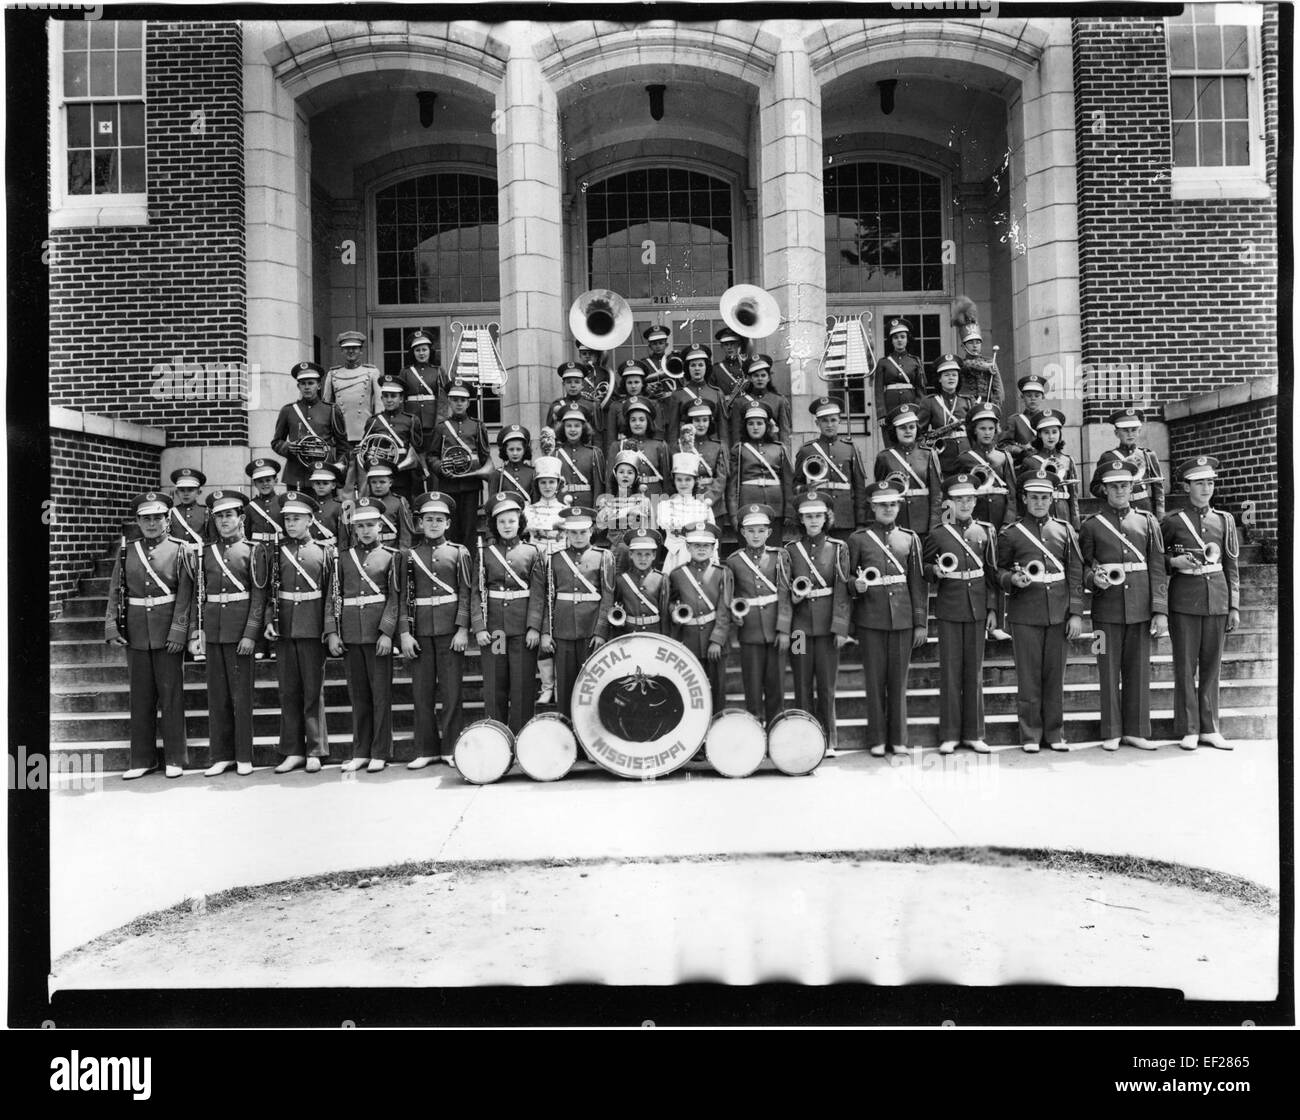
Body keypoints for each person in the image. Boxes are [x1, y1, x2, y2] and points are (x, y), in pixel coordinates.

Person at [105, 491, 198, 780]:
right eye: (146, 518)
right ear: (137, 521)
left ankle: (174, 758)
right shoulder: (127, 551)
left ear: (167, 519)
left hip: (168, 630)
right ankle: (142, 759)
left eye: (157, 517)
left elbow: (187, 595)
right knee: (140, 698)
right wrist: (111, 626)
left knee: (171, 697)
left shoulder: (181, 549)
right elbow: (115, 592)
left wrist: (180, 631)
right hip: (135, 632)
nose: (152, 523)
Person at [1079, 459, 1169, 752]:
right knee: (1106, 669)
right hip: (1104, 613)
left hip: (1141, 609)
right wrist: (1094, 580)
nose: (1120, 491)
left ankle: (1137, 730)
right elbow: (1081, 568)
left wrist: (1160, 610)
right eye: (1114, 486)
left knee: (1139, 670)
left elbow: (1157, 567)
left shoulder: (1147, 521)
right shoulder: (1091, 525)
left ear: (1133, 488)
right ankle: (1111, 731)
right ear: (1104, 490)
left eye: (1125, 485)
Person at [996, 466, 1086, 753]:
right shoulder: (1011, 534)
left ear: (1052, 499)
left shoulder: (1064, 530)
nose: (1039, 503)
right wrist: (1012, 579)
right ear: (1024, 498)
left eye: (1045, 498)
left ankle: (1055, 733)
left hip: (1058, 612)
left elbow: (1074, 572)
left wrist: (1076, 613)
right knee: (1028, 675)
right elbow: (997, 571)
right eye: (1034, 497)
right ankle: (1030, 735)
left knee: (1054, 675)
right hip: (1025, 612)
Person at [1161, 456, 1241, 751]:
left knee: (1211, 666)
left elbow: (1232, 565)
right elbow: (1157, 559)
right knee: (1185, 666)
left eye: (1210, 482)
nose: (1206, 488)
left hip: (1217, 599)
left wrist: (1234, 605)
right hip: (1184, 599)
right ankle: (1189, 728)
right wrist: (1173, 561)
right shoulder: (1172, 521)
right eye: (1199, 483)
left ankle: (1209, 727)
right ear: (1186, 486)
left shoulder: (1224, 520)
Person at [847, 480, 927, 757]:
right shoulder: (859, 539)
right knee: (874, 680)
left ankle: (899, 738)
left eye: (892, 504)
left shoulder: (909, 538)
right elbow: (846, 577)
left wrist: (920, 622)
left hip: (903, 618)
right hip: (871, 618)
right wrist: (854, 585)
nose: (887, 509)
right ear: (872, 507)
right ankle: (877, 739)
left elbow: (917, 583)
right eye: (882, 505)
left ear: (899, 506)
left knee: (898, 681)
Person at [193, 490, 269, 778]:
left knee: (241, 697)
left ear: (241, 518)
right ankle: (221, 755)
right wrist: (198, 631)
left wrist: (251, 634)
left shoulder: (253, 550)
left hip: (240, 633)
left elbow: (259, 596)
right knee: (217, 697)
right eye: (219, 516)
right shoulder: (206, 551)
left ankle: (243, 755)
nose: (224, 521)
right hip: (214, 631)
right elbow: (200, 595)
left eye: (229, 515)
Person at [924, 474, 999, 754]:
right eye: (959, 499)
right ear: (949, 503)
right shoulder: (938, 534)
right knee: (951, 672)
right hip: (950, 607)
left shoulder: (986, 531)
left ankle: (975, 733)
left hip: (978, 607)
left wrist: (993, 609)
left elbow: (992, 573)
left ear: (976, 500)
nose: (965, 503)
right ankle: (949, 734)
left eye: (969, 498)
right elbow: (925, 568)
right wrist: (935, 571)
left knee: (974, 673)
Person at [325, 496, 400, 772]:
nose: (366, 531)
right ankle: (361, 751)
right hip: (351, 634)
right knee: (358, 696)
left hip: (377, 635)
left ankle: (380, 751)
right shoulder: (343, 558)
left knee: (381, 695)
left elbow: (395, 598)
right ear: (354, 529)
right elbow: (334, 597)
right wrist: (333, 632)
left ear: (380, 526)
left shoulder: (391, 557)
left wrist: (387, 632)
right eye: (360, 526)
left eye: (371, 525)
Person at [400, 491, 473, 769]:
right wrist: (405, 633)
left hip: (449, 631)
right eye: (428, 519)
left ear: (448, 523)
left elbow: (466, 592)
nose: (433, 524)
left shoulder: (458, 552)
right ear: (420, 523)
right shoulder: (409, 556)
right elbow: (403, 596)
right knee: (422, 692)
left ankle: (451, 748)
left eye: (439, 519)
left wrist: (462, 628)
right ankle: (426, 749)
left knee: (452, 692)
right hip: (420, 633)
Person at [266, 490, 336, 774]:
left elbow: (332, 594)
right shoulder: (275, 551)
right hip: (285, 627)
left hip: (311, 626)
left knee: (312, 691)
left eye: (297, 519)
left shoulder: (323, 551)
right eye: (287, 519)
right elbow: (267, 590)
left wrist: (329, 629)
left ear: (310, 520)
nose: (291, 524)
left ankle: (316, 749)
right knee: (288, 691)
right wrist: (269, 620)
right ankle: (292, 749)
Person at [778, 491, 851, 753]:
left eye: (818, 515)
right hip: (799, 630)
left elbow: (842, 590)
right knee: (801, 683)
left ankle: (829, 740)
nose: (813, 521)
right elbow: (784, 593)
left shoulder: (838, 548)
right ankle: (804, 738)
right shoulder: (790, 550)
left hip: (827, 628)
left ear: (826, 517)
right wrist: (786, 626)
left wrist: (841, 627)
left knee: (826, 685)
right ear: (801, 519)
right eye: (808, 516)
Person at [473, 495, 546, 734]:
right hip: (496, 632)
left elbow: (538, 593)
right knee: (496, 684)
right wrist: (480, 627)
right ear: (495, 524)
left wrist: (535, 627)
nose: (507, 525)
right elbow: (476, 591)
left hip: (522, 630)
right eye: (502, 521)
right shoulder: (485, 553)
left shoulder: (532, 552)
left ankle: (522, 738)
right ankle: (497, 738)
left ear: (520, 522)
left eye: (511, 521)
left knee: (522, 685)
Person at [538, 504, 613, 721]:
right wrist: (546, 631)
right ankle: (567, 734)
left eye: (583, 532)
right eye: (573, 532)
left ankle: (591, 734)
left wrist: (600, 630)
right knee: (566, 685)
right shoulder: (555, 558)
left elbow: (608, 596)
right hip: (563, 629)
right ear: (566, 533)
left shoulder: (603, 556)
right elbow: (547, 597)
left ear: (591, 531)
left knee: (592, 684)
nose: (578, 537)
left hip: (591, 630)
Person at [725, 504, 786, 726]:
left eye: (761, 530)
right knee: (752, 686)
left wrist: (784, 629)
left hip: (775, 629)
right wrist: (735, 615)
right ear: (742, 532)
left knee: (776, 685)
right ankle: (756, 731)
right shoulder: (733, 561)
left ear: (769, 532)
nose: (756, 535)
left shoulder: (779, 556)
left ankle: (776, 728)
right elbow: (729, 597)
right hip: (749, 631)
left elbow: (785, 595)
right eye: (751, 530)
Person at [664, 522, 733, 708]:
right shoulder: (677, 574)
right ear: (687, 546)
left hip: (715, 642)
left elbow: (724, 609)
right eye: (696, 545)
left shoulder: (723, 573)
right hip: (688, 640)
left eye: (706, 546)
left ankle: (718, 727)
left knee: (717, 691)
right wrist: (674, 612)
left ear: (713, 548)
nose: (701, 549)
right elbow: (671, 602)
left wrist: (717, 640)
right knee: (691, 691)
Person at [524, 454, 569, 705]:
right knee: (541, 624)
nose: (548, 487)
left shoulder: (566, 510)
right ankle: (547, 685)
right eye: (543, 483)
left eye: (552, 482)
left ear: (559, 483)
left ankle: (562, 682)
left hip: (561, 570)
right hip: (538, 570)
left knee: (560, 626)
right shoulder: (529, 510)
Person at [427, 378, 492, 550]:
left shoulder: (478, 426)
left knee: (469, 529)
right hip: (447, 484)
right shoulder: (441, 427)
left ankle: (468, 566)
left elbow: (485, 456)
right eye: (455, 400)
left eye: (462, 400)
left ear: (468, 402)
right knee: (450, 528)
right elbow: (431, 455)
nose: (458, 404)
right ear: (449, 401)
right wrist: (440, 467)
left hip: (471, 485)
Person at [793, 396, 868, 540]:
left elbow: (859, 487)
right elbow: (795, 485)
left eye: (833, 420)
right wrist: (805, 489)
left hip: (845, 515)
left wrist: (860, 521)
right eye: (824, 420)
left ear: (840, 421)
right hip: (817, 514)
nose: (829, 424)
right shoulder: (807, 451)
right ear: (817, 423)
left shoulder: (850, 449)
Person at [322, 329, 383, 496]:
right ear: (342, 350)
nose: (351, 351)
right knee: (344, 483)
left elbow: (379, 405)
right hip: (342, 437)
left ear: (361, 350)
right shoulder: (333, 374)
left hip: (365, 434)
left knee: (366, 482)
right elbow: (326, 406)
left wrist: (376, 434)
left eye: (355, 348)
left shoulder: (371, 372)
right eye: (347, 348)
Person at [271, 360, 348, 490]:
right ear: (298, 386)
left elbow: (343, 445)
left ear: (318, 385)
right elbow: (276, 442)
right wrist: (288, 447)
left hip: (323, 474)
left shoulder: (331, 410)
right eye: (303, 383)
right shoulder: (288, 410)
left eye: (311, 383)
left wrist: (339, 466)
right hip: (296, 474)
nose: (307, 387)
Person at [874, 403, 941, 540]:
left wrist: (934, 525)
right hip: (896, 523)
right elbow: (880, 494)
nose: (908, 431)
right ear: (894, 430)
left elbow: (937, 494)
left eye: (912, 427)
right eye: (902, 428)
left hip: (923, 523)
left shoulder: (928, 454)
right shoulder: (885, 457)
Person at [1090, 407, 1165, 519]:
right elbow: (1095, 486)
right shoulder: (1108, 457)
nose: (1130, 434)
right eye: (1125, 430)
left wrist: (1159, 515)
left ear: (1139, 431)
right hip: (1117, 508)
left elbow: (1158, 488)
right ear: (1116, 433)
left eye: (1134, 430)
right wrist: (1113, 493)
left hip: (1144, 506)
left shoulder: (1147, 455)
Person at [360, 374, 424, 505]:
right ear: (381, 398)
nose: (389, 400)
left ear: (401, 399)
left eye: (393, 396)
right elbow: (366, 447)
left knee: (403, 506)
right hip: (379, 474)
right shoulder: (374, 421)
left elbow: (417, 449)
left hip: (403, 474)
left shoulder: (411, 420)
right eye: (386, 396)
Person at [729, 403, 793, 532]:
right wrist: (733, 513)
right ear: (745, 426)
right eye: (750, 424)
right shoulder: (740, 449)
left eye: (759, 423)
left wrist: (789, 511)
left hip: (776, 506)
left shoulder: (779, 449)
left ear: (767, 426)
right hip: (747, 505)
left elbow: (788, 482)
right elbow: (732, 485)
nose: (755, 427)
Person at [245, 457, 283, 661]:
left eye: (269, 479)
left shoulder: (283, 502)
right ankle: (260, 642)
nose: (265, 483)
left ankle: (275, 642)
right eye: (260, 481)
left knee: (275, 595)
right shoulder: (250, 507)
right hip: (258, 554)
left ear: (276, 480)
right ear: (255, 483)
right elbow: (247, 534)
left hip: (278, 552)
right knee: (259, 595)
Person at [957, 404, 1017, 532]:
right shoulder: (965, 458)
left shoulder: (1004, 456)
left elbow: (1012, 493)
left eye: (991, 428)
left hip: (1000, 518)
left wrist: (1008, 521)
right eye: (982, 428)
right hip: (975, 516)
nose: (987, 432)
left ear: (996, 430)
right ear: (974, 430)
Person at [607, 396, 670, 514]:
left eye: (642, 419)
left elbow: (666, 481)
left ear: (648, 422)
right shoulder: (618, 446)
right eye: (633, 420)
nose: (637, 423)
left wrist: (665, 505)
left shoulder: (660, 446)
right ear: (628, 423)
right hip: (626, 499)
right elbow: (611, 481)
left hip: (654, 497)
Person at [658, 452, 716, 575]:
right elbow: (669, 529)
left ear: (695, 481)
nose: (683, 484)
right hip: (677, 556)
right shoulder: (666, 505)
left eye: (688, 479)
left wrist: (713, 556)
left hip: (701, 555)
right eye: (679, 480)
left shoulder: (703, 506)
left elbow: (713, 535)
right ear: (674, 481)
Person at [1021, 409, 1081, 530]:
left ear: (1060, 433)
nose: (1051, 436)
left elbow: (1073, 496)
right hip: (1039, 511)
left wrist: (1076, 524)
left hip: (1063, 511)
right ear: (1039, 435)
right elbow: (1022, 494)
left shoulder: (1067, 460)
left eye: (1054, 432)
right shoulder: (1030, 462)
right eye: (1046, 432)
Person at [918, 353, 973, 476]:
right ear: (939, 379)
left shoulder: (967, 401)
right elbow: (919, 433)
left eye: (954, 375)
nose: (951, 378)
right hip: (943, 455)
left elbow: (973, 431)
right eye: (946, 375)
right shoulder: (929, 402)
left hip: (966, 453)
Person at [870, 317, 926, 436]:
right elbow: (878, 391)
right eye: (895, 337)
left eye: (902, 337)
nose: (899, 340)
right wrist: (881, 414)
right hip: (890, 405)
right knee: (891, 438)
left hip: (910, 405)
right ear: (891, 340)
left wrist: (918, 410)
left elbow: (920, 389)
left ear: (907, 339)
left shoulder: (915, 361)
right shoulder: (883, 362)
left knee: (910, 437)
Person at [677, 399, 728, 528]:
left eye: (705, 420)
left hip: (713, 505)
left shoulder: (717, 446)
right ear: (690, 423)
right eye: (696, 420)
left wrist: (708, 498)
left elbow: (721, 478)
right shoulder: (680, 447)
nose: (701, 424)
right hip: (687, 504)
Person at [606, 527, 666, 635]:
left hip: (654, 633)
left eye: (647, 554)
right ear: (630, 555)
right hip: (629, 633)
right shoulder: (621, 580)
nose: (643, 559)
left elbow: (665, 612)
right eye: (638, 554)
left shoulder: (661, 579)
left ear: (654, 556)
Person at [664, 344, 725, 449]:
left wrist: (724, 450)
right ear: (687, 368)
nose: (697, 369)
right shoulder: (678, 395)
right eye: (693, 365)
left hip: (712, 449)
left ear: (707, 367)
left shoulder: (716, 393)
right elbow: (673, 430)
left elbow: (723, 428)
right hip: (686, 449)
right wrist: (674, 453)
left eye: (701, 365)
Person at [950, 294, 1004, 411]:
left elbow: (999, 390)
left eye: (977, 342)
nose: (975, 345)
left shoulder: (991, 361)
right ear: (963, 346)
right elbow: (967, 364)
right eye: (971, 342)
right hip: (965, 406)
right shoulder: (959, 362)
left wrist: (995, 408)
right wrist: (985, 367)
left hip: (986, 406)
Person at [554, 405, 605, 510]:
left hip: (586, 506)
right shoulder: (556, 454)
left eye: (577, 426)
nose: (573, 430)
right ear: (563, 428)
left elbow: (599, 486)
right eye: (569, 426)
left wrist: (596, 511)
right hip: (562, 506)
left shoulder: (594, 453)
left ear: (584, 428)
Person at [740, 355, 792, 449]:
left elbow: (784, 431)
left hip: (773, 450)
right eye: (756, 376)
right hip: (749, 451)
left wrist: (785, 453)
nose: (760, 379)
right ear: (750, 378)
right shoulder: (740, 402)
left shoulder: (779, 400)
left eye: (763, 375)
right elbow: (737, 433)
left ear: (768, 378)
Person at [358, 464, 414, 551]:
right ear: (369, 483)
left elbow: (405, 532)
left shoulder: (399, 502)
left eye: (382, 482)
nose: (378, 486)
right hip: (367, 549)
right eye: (374, 482)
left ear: (390, 483)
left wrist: (403, 554)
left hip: (391, 549)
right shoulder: (363, 503)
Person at [607, 359, 666, 441]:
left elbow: (658, 434)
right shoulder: (616, 406)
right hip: (623, 448)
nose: (633, 386)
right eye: (629, 383)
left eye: (636, 382)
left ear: (642, 384)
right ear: (624, 384)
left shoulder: (653, 404)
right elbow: (611, 436)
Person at [997, 374, 1049, 467]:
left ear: (1043, 397)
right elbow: (1002, 445)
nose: (1033, 399)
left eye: (1037, 395)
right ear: (1022, 397)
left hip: (1046, 464)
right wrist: (1020, 451)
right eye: (1029, 395)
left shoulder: (1048, 420)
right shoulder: (1015, 420)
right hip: (1024, 465)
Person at [400, 329, 447, 431]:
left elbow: (443, 398)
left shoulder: (438, 371)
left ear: (430, 351)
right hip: (411, 417)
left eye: (424, 349)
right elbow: (401, 398)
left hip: (432, 418)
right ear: (413, 353)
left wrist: (440, 419)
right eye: (417, 350)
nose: (421, 353)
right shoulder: (405, 372)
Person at [486, 424, 535, 511]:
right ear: (505, 451)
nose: (515, 453)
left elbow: (535, 501)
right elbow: (492, 503)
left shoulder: (532, 473)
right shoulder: (497, 474)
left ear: (524, 451)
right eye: (511, 449)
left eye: (519, 449)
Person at [546, 361, 601, 437]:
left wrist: (595, 449)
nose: (573, 385)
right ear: (563, 384)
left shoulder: (591, 405)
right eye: (569, 382)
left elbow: (597, 435)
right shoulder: (556, 405)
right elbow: (549, 433)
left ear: (582, 384)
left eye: (577, 382)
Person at [168, 466, 210, 549]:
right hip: (176, 555)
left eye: (190, 490)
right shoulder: (171, 512)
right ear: (177, 492)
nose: (186, 494)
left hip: (199, 556)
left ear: (199, 492)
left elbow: (212, 539)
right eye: (182, 490)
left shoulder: (206, 512)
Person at [307, 465, 345, 545]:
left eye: (325, 483)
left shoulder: (338, 506)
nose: (321, 486)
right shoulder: (307, 505)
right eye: (317, 483)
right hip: (311, 546)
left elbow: (343, 535)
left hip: (331, 548)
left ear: (333, 485)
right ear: (313, 485)